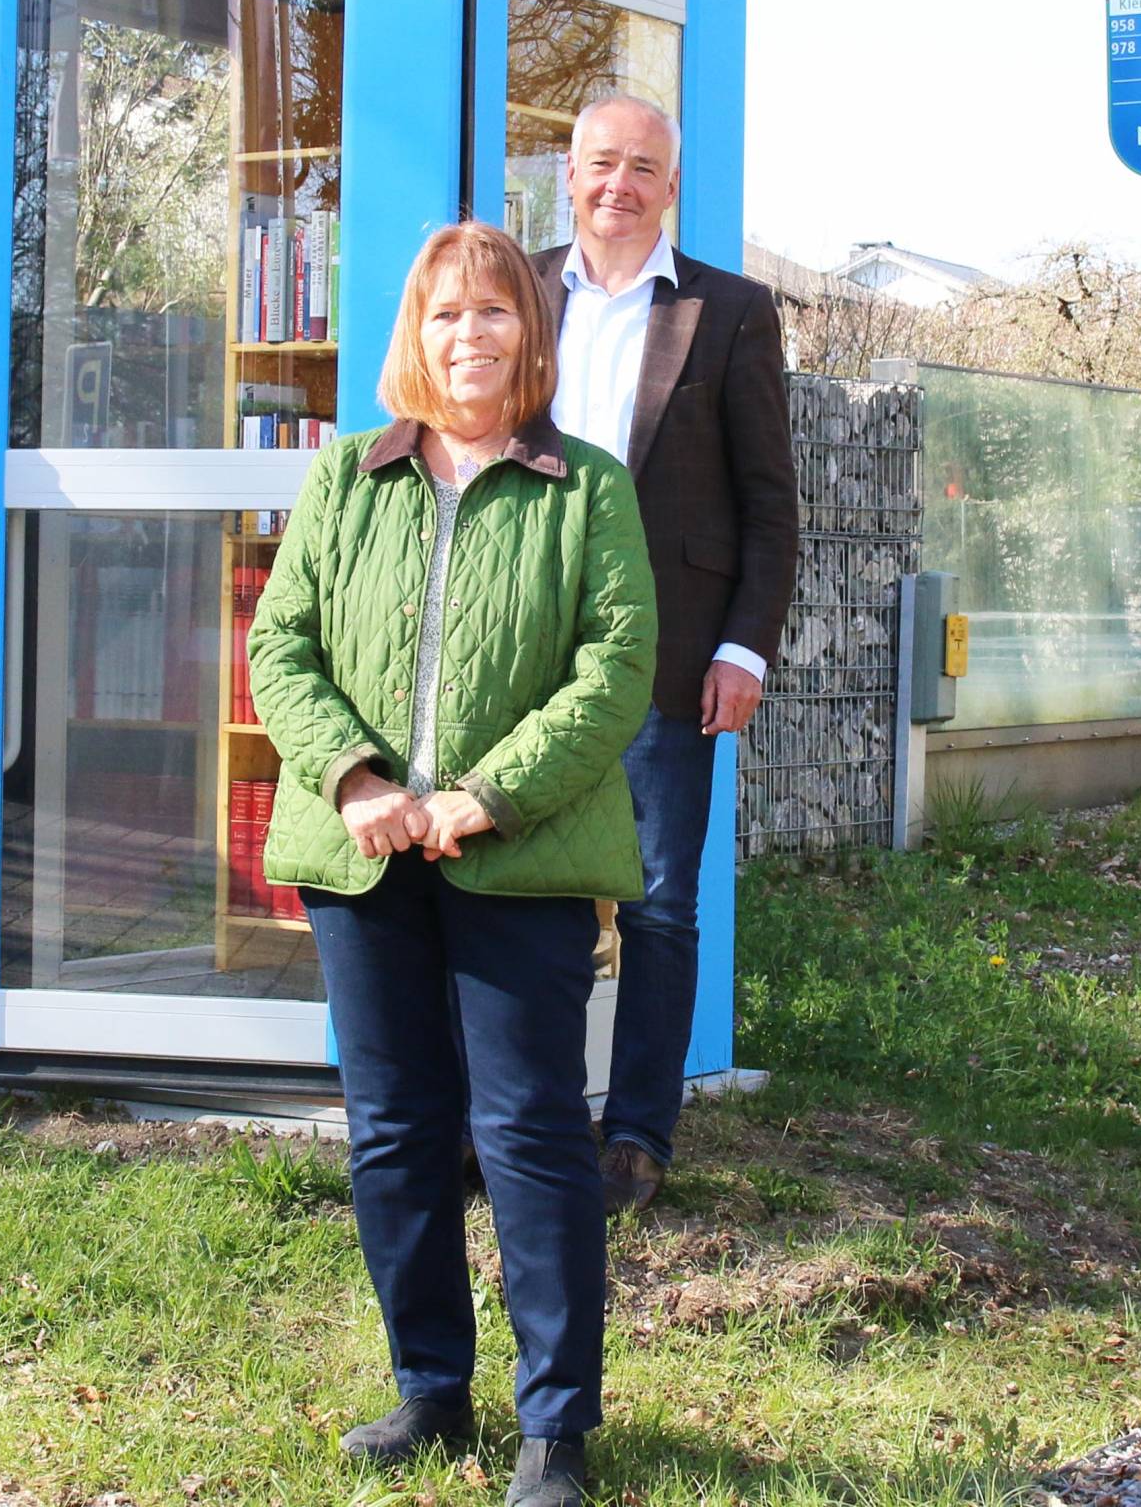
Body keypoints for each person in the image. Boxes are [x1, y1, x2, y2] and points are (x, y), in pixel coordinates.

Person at [249, 221, 654, 1507]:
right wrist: (357, 779)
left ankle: (556, 1425)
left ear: (529, 336)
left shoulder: (588, 487)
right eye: (443, 316)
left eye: (493, 313)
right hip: (363, 856)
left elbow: (616, 669)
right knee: (392, 1131)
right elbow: (281, 642)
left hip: (515, 855)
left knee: (530, 1128)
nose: (468, 336)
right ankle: (430, 1389)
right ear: (410, 339)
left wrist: (489, 793)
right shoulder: (342, 479)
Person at [529, 94, 798, 1215]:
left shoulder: (728, 311)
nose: (619, 183)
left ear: (670, 186)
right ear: (572, 174)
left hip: (670, 656)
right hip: (526, 647)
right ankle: (526, 1119)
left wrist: (744, 647)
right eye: (601, 161)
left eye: (644, 166)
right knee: (520, 895)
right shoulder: (518, 287)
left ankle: (636, 1132)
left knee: (658, 907)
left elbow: (770, 504)